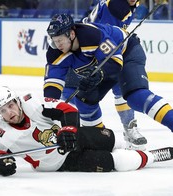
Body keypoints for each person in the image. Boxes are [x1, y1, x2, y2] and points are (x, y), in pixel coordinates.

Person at [44, 14, 173, 151]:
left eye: (60, 40)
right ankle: (101, 142)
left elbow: (114, 62)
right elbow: (52, 84)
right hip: (102, 66)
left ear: (71, 34)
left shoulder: (91, 35)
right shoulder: (55, 52)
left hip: (126, 55)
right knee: (84, 99)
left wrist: (98, 75)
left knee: (135, 96)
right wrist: (50, 111)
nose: (57, 45)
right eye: (54, 40)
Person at [0, 86, 173, 176]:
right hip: (60, 163)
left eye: (10, 105)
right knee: (109, 162)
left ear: (17, 101)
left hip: (73, 137)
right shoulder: (2, 135)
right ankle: (150, 157)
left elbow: (68, 109)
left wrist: (68, 129)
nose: (9, 113)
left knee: (108, 138)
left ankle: (127, 146)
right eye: (2, 111)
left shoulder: (33, 103)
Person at [50, 0, 148, 150]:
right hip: (83, 52)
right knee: (73, 94)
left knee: (120, 88)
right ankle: (76, 130)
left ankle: (124, 128)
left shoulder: (127, 5)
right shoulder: (117, 5)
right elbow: (106, 34)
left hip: (93, 50)